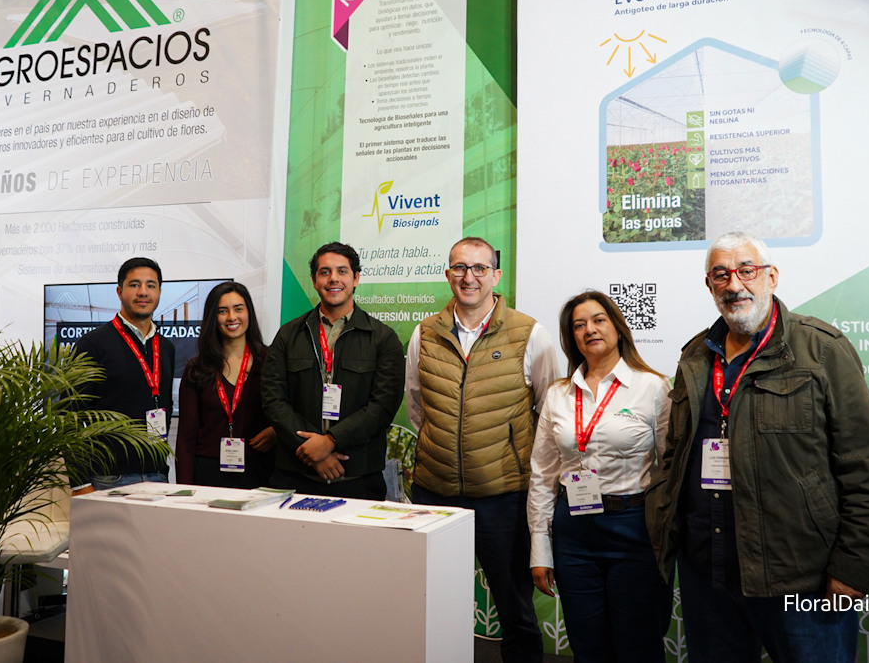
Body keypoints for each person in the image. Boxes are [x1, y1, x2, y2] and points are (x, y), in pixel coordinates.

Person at [645, 232, 869, 663]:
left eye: (746, 270)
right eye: (721, 275)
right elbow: (676, 455)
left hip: (800, 575)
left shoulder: (821, 349)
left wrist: (855, 567)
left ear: (771, 276)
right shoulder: (696, 355)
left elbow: (865, 465)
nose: (734, 284)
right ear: (709, 285)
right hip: (709, 572)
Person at [405, 237, 559, 663]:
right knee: (433, 602)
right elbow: (417, 406)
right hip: (435, 492)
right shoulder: (425, 333)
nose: (468, 277)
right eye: (459, 267)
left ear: (496, 275)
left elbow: (548, 413)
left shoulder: (530, 333)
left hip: (503, 496)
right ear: (447, 274)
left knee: (514, 608)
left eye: (479, 268)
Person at [527, 291, 671, 662]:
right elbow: (543, 474)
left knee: (638, 643)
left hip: (632, 527)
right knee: (587, 643)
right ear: (572, 337)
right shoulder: (558, 394)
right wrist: (540, 547)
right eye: (579, 325)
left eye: (598, 320)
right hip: (573, 532)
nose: (589, 329)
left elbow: (670, 467)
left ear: (618, 328)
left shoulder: (652, 387)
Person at [260, 242, 404, 500]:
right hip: (294, 476)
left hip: (358, 479)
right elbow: (273, 399)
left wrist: (330, 441)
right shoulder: (288, 335)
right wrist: (312, 451)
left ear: (356, 278)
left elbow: (383, 406)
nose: (333, 278)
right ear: (314, 281)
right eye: (324, 272)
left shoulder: (382, 338)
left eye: (342, 271)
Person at [74, 257, 175, 490]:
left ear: (159, 292)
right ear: (119, 292)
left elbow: (165, 406)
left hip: (157, 476)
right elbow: (71, 416)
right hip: (108, 478)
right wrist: (79, 483)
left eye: (151, 285)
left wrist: (162, 468)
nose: (143, 292)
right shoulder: (92, 344)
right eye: (134, 285)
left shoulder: (166, 347)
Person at [175, 281, 276, 487]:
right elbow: (186, 437)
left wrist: (276, 431)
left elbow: (293, 410)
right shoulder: (197, 368)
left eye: (238, 309)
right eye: (222, 311)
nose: (231, 317)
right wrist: (184, 488)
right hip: (208, 474)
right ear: (213, 317)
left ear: (249, 312)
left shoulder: (271, 361)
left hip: (261, 470)